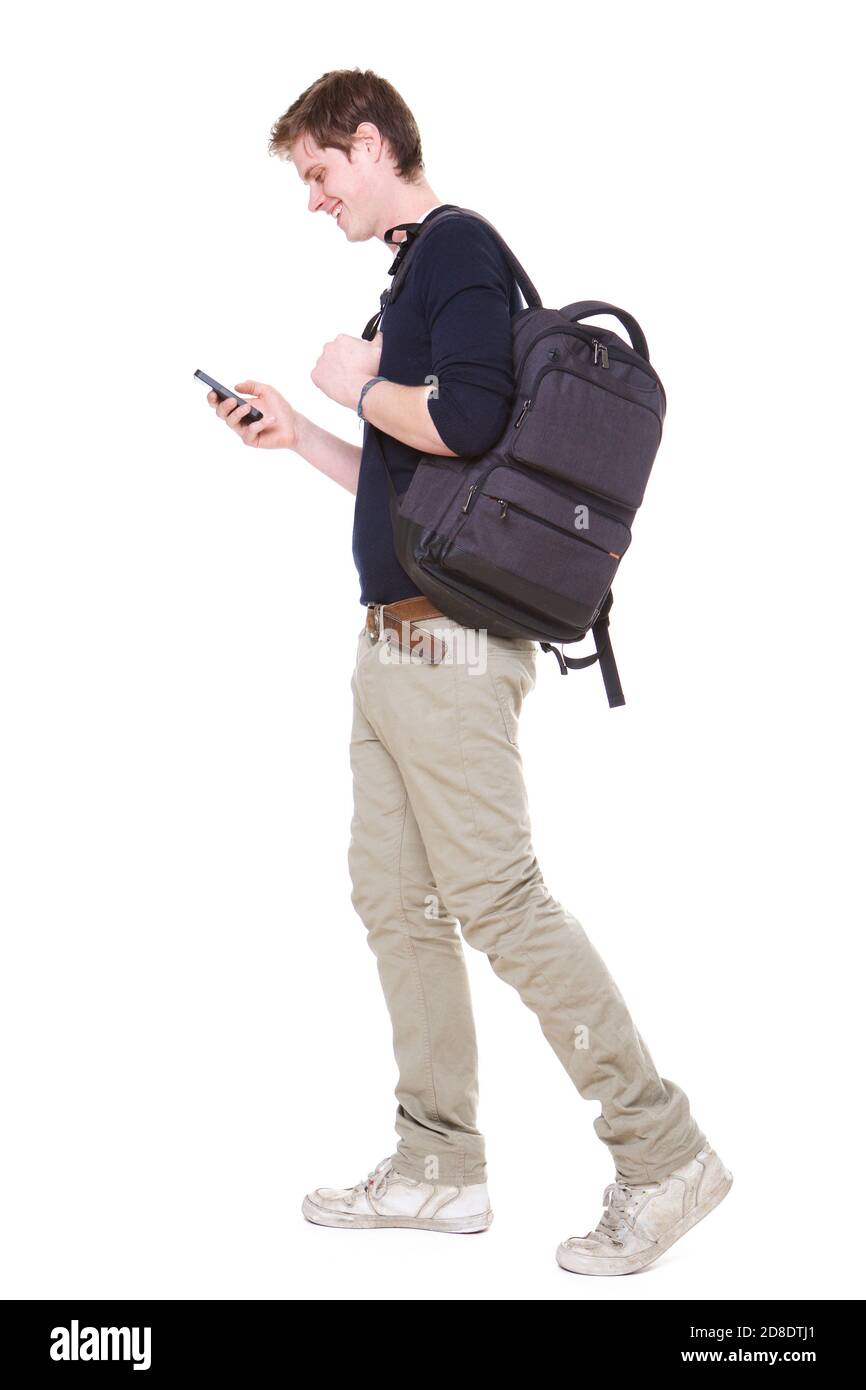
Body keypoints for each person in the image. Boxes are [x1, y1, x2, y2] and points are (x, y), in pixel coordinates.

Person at [205, 67, 732, 1276]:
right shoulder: (414, 271)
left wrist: (357, 379)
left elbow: (473, 422)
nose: (312, 200)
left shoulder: (456, 249)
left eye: (318, 172)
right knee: (394, 902)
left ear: (373, 140)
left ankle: (663, 1153)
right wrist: (304, 435)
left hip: (444, 650)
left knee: (497, 902)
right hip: (393, 639)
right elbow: (415, 479)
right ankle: (437, 1163)